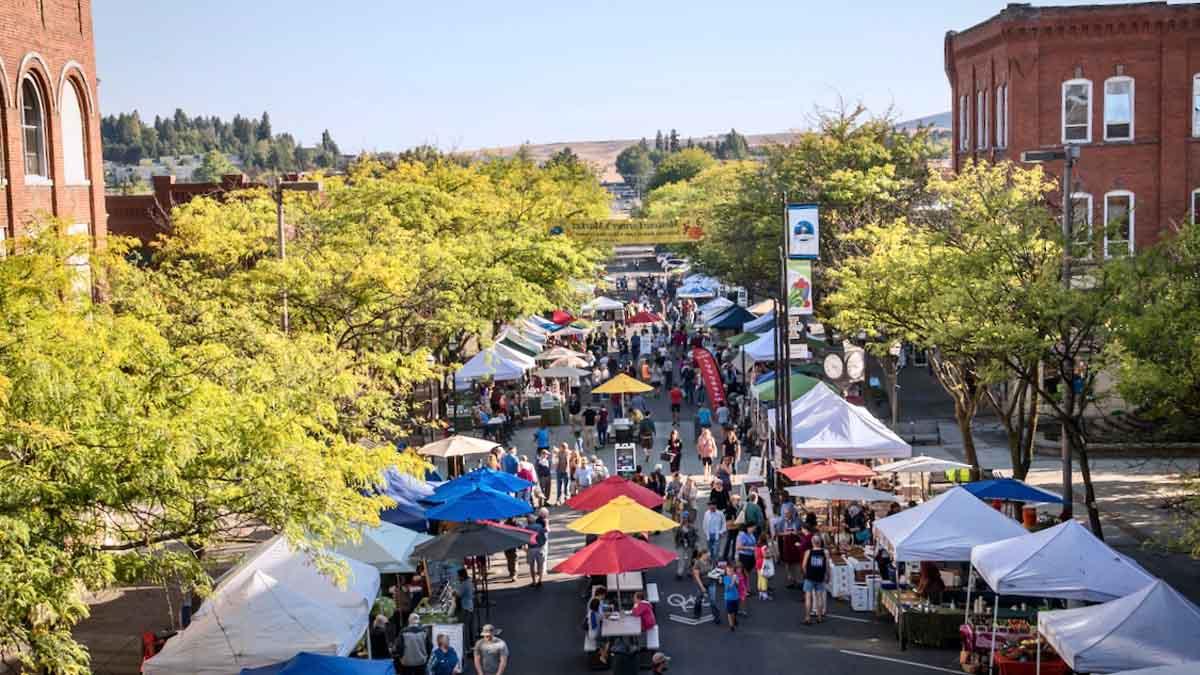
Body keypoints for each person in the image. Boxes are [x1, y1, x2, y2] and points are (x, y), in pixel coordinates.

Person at [801, 535, 831, 624]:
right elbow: (827, 566)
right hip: (820, 577)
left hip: (809, 577)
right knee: (819, 597)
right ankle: (819, 617)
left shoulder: (808, 552)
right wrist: (828, 575)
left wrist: (806, 574)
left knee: (808, 597)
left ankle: (807, 618)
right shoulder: (825, 552)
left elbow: (803, 565)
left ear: (812, 542)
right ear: (820, 542)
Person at [690, 547, 720, 625]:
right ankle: (697, 614)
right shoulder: (697, 563)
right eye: (707, 555)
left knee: (713, 601)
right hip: (701, 583)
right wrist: (702, 587)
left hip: (711, 583)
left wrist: (718, 576)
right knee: (698, 599)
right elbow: (697, 576)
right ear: (702, 555)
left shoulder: (710, 561)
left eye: (708, 555)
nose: (708, 556)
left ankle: (716, 616)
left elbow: (715, 569)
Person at [526, 511, 549, 588]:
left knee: (531, 566)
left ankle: (533, 581)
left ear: (528, 521)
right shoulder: (539, 526)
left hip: (531, 549)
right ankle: (540, 580)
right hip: (539, 548)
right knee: (541, 565)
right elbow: (545, 533)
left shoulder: (526, 528)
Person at [673, 510, 698, 580]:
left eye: (686, 517)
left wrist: (694, 543)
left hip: (690, 545)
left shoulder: (692, 527)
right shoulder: (679, 527)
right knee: (681, 559)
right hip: (681, 545)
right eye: (684, 517)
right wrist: (678, 542)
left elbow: (695, 536)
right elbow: (676, 536)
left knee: (690, 559)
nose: (685, 519)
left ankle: (689, 572)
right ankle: (679, 573)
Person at [584, 597, 609, 664]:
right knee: (609, 640)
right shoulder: (595, 614)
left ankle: (602, 652)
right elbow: (596, 624)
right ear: (597, 606)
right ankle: (603, 655)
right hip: (595, 634)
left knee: (604, 639)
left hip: (592, 633)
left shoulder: (591, 613)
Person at [736, 524, 758, 593]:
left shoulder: (751, 534)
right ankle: (746, 589)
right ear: (748, 528)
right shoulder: (742, 535)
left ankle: (746, 588)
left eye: (755, 528)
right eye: (753, 528)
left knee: (748, 573)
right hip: (744, 556)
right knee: (745, 574)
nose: (754, 530)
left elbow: (754, 544)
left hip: (751, 556)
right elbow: (738, 547)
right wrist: (750, 548)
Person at [454, 568, 475, 636]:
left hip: (465, 607)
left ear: (462, 576)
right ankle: (472, 642)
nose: (458, 577)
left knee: (465, 626)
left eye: (458, 576)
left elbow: (459, 595)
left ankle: (468, 644)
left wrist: (454, 593)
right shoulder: (469, 581)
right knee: (470, 626)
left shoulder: (464, 584)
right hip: (470, 605)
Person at [721, 563, 741, 631]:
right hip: (728, 598)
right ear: (726, 572)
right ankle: (731, 625)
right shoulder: (725, 578)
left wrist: (737, 580)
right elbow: (728, 589)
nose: (730, 573)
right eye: (728, 571)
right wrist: (733, 580)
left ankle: (734, 619)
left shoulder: (735, 576)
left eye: (732, 571)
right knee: (730, 612)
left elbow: (738, 585)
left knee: (735, 611)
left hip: (736, 597)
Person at [755, 533, 772, 600]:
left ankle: (760, 593)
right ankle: (765, 594)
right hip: (763, 563)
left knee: (759, 578)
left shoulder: (757, 546)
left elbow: (756, 555)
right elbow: (765, 555)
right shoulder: (764, 547)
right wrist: (770, 555)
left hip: (758, 562)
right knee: (764, 578)